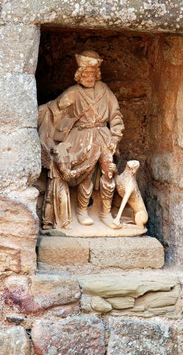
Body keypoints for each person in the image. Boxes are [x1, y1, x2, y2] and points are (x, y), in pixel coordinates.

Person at [38, 50, 124, 229]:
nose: (89, 77)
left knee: (109, 171)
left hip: (103, 134)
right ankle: (82, 211)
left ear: (97, 74)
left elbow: (115, 114)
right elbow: (55, 110)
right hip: (81, 137)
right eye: (85, 73)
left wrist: (115, 136)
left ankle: (106, 213)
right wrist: (41, 114)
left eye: (92, 73)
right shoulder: (73, 92)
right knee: (86, 174)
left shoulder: (104, 90)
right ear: (79, 75)